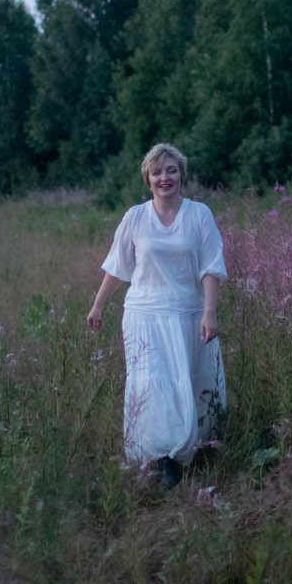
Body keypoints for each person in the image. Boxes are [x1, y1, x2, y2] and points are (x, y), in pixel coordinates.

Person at [85, 143, 228, 488]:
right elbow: (117, 267)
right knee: (153, 386)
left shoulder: (199, 215)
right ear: (147, 179)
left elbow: (211, 267)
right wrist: (98, 305)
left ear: (181, 175)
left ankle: (195, 450)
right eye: (157, 172)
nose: (165, 177)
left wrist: (209, 312)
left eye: (171, 170)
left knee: (189, 382)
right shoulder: (135, 217)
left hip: (188, 315)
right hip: (144, 316)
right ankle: (164, 460)